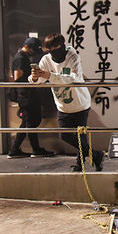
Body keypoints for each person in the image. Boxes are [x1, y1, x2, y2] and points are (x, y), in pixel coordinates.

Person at [29, 33, 104, 171]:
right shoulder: (46, 59)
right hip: (62, 105)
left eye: (56, 48)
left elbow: (73, 78)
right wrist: (34, 77)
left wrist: (50, 76)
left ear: (62, 45)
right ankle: (96, 155)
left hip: (80, 103)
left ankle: (80, 164)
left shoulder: (72, 56)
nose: (53, 52)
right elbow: (39, 80)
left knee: (81, 137)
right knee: (65, 135)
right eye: (50, 49)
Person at [7, 37, 54, 158]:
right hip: (26, 95)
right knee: (31, 122)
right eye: (33, 50)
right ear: (27, 47)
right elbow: (17, 77)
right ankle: (33, 149)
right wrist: (31, 77)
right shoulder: (21, 58)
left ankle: (16, 149)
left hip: (27, 94)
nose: (34, 53)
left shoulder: (23, 57)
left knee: (28, 123)